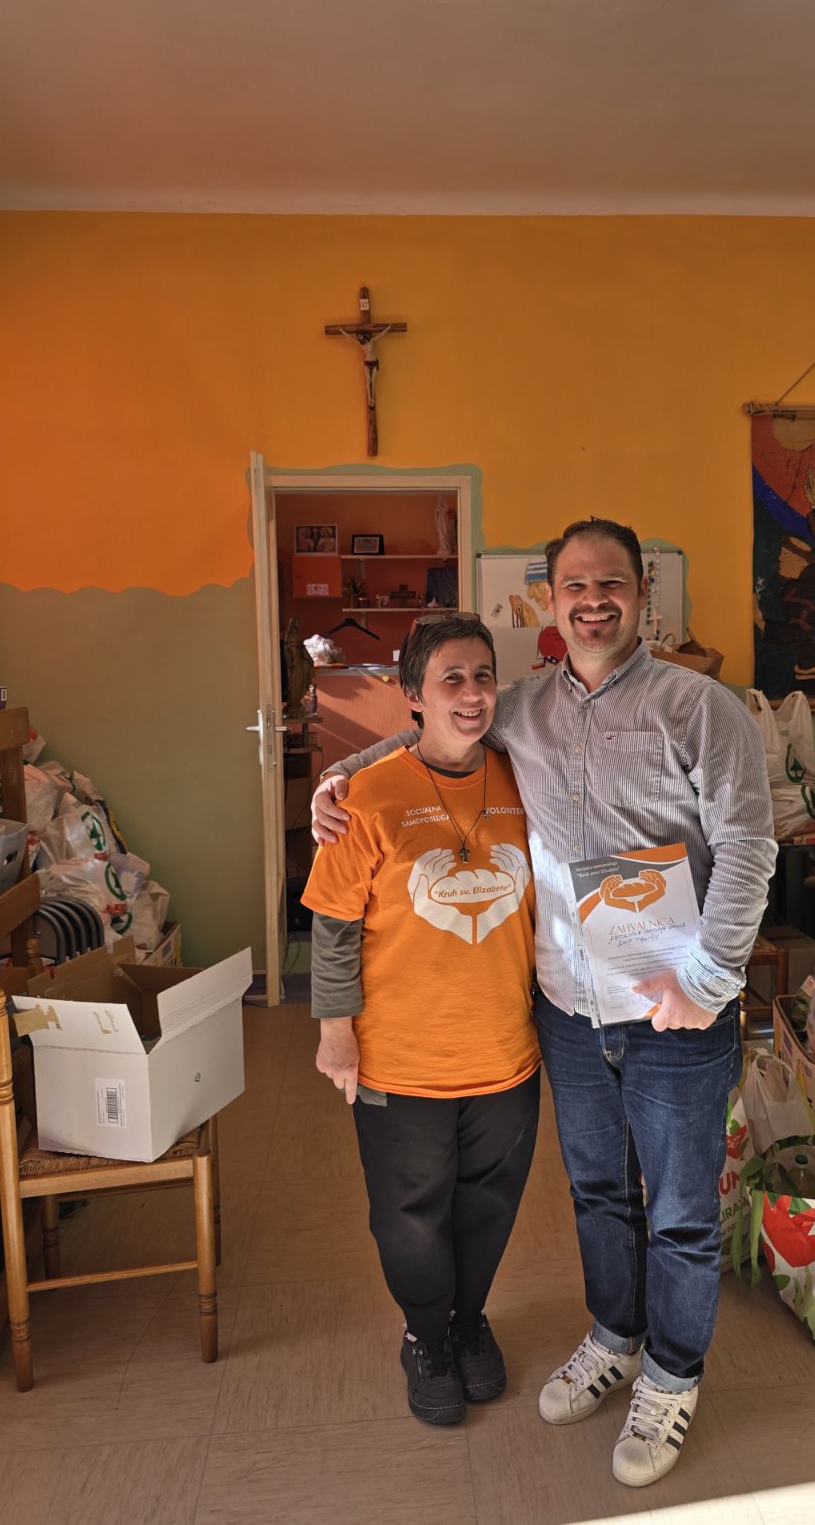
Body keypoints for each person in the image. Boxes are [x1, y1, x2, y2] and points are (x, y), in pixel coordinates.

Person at [313, 519, 776, 1489]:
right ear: (552, 601)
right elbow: (431, 732)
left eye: (611, 582)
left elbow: (749, 847)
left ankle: (671, 1376)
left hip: (675, 1013)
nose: (593, 599)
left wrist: (707, 982)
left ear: (641, 592)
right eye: (575, 585)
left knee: (681, 1212)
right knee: (599, 1194)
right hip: (569, 1012)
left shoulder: (701, 707)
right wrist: (343, 778)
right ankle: (614, 1334)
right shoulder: (522, 706)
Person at [303, 612, 541, 1429]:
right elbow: (333, 927)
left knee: (490, 1203)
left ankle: (468, 1320)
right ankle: (424, 1335)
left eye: (483, 676)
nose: (471, 694)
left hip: (505, 1048)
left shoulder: (522, 780)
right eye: (451, 679)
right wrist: (336, 1032)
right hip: (400, 1058)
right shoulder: (365, 797)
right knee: (409, 1213)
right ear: (414, 695)